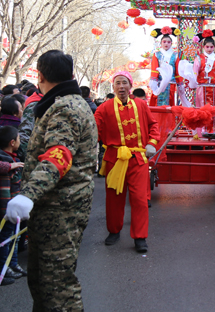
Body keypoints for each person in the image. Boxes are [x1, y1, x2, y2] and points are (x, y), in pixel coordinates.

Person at [4, 50, 97, 311]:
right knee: (42, 282)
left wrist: (28, 194)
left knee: (57, 288)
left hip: (60, 210)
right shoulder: (66, 103)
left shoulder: (66, 107)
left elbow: (59, 155)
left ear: (41, 76)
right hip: (53, 209)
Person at [95, 71, 160, 253]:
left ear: (130, 86)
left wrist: (151, 143)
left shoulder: (141, 105)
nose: (121, 86)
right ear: (113, 87)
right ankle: (114, 231)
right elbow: (94, 130)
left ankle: (140, 236)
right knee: (114, 198)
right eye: (117, 83)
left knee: (139, 199)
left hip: (138, 159)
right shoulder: (104, 108)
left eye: (124, 83)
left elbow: (153, 126)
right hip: (114, 159)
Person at [0, 125, 25, 285]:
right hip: (7, 209)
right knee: (6, 238)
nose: (20, 142)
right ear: (12, 142)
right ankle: (4, 267)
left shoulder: (13, 158)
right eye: (18, 139)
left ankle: (13, 264)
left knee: (14, 237)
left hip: (14, 208)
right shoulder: (6, 161)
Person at [149, 27, 182, 106]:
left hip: (171, 84)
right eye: (164, 42)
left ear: (171, 43)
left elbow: (178, 71)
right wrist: (153, 82)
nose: (166, 44)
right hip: (159, 84)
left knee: (170, 103)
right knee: (157, 103)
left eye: (168, 42)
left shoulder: (175, 55)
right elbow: (154, 69)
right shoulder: (157, 54)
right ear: (161, 43)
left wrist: (180, 84)